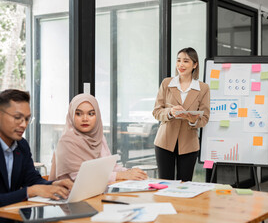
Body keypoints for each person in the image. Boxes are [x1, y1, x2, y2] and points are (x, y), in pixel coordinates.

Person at [49, 93, 147, 182]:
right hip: (71, 196)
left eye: (91, 114)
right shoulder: (67, 140)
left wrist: (131, 172)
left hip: (96, 193)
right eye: (78, 114)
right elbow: (80, 176)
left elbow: (110, 167)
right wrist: (121, 175)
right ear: (71, 115)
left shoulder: (98, 136)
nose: (85, 119)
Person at [0, 89, 73, 207]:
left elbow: (32, 180)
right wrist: (31, 191)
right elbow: (32, 188)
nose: (24, 124)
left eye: (27, 119)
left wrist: (54, 184)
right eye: (17, 117)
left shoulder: (21, 145)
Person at [153, 47, 210, 181]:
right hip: (164, 142)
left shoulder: (203, 88)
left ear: (195, 65)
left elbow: (205, 117)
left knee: (185, 185)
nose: (181, 65)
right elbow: (156, 111)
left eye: (186, 61)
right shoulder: (167, 83)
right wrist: (170, 112)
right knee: (164, 183)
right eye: (178, 60)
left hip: (189, 144)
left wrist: (192, 120)